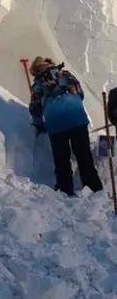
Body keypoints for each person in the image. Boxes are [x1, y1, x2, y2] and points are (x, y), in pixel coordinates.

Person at [29, 56, 103, 197]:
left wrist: (39, 126)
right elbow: (80, 94)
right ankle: (95, 190)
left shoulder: (38, 85)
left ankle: (65, 190)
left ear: (35, 71)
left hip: (56, 125)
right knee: (84, 157)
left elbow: (35, 109)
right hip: (77, 120)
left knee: (62, 161)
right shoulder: (65, 74)